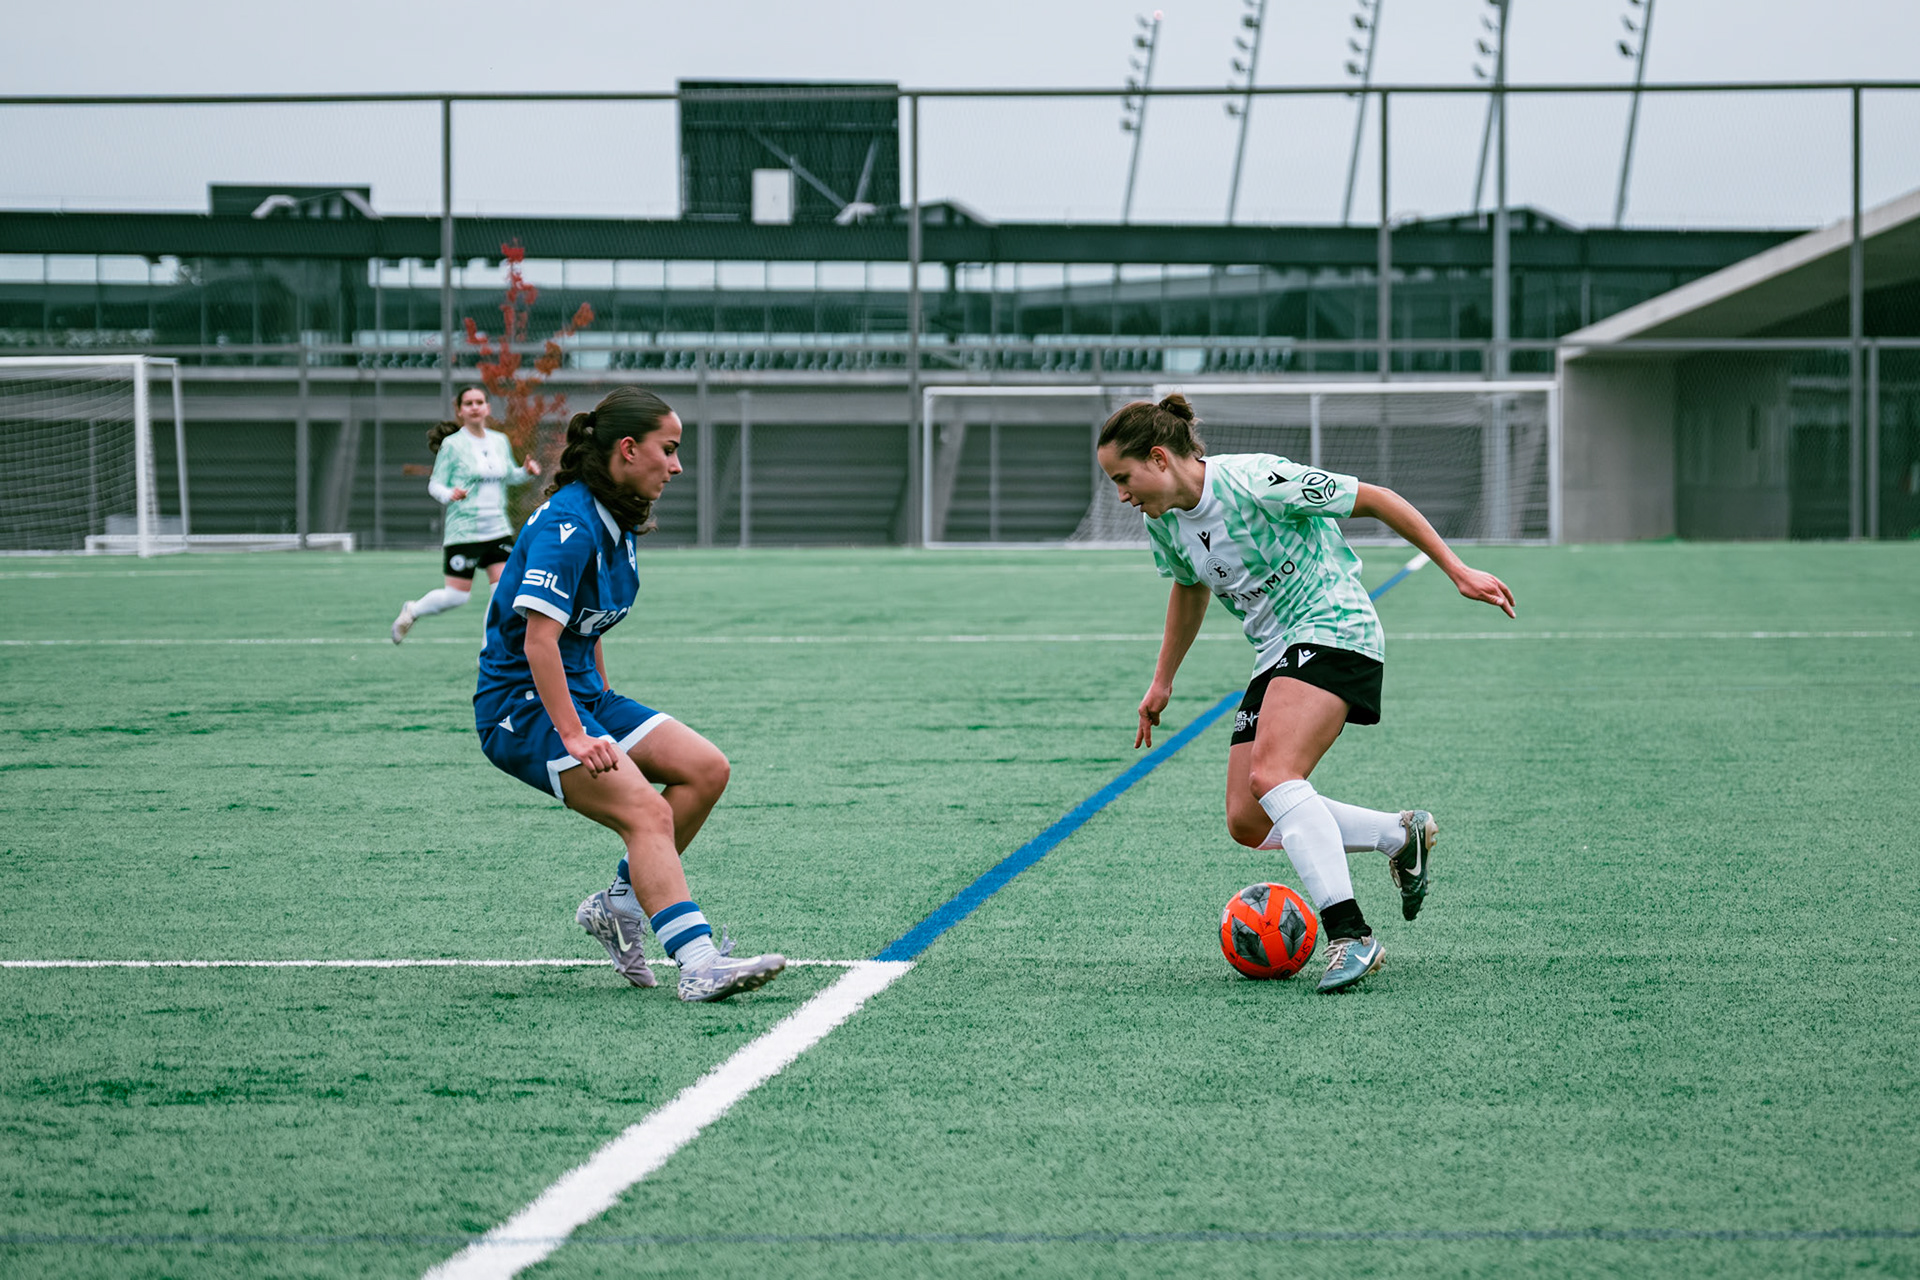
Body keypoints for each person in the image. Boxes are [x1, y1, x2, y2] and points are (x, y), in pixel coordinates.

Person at [1098, 394, 1515, 994]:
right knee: (1247, 819)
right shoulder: (1163, 521)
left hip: (1334, 625)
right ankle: (1402, 834)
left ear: (1159, 458)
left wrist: (1458, 570)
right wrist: (1163, 680)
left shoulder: (1257, 481)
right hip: (1276, 652)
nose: (1121, 494)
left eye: (1123, 477)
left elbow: (1374, 499)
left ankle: (1351, 935)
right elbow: (1188, 588)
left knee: (1274, 774)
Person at [472, 386, 784, 1003]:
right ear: (627, 448)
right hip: (522, 707)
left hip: (581, 693)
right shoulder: (570, 524)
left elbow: (586, 623)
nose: (676, 466)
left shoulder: (614, 515)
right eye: (668, 451)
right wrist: (575, 733)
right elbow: (539, 643)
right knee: (648, 812)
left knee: (705, 769)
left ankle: (618, 904)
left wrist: (603, 704)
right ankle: (696, 964)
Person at [391, 386, 541, 643]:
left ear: (487, 408)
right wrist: (449, 494)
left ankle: (489, 651)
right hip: (465, 531)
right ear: (460, 410)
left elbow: (509, 476)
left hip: (497, 530)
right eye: (469, 403)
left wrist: (525, 471)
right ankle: (412, 610)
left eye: (479, 402)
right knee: (457, 596)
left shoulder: (499, 441)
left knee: (503, 592)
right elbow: (435, 484)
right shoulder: (452, 445)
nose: (474, 407)